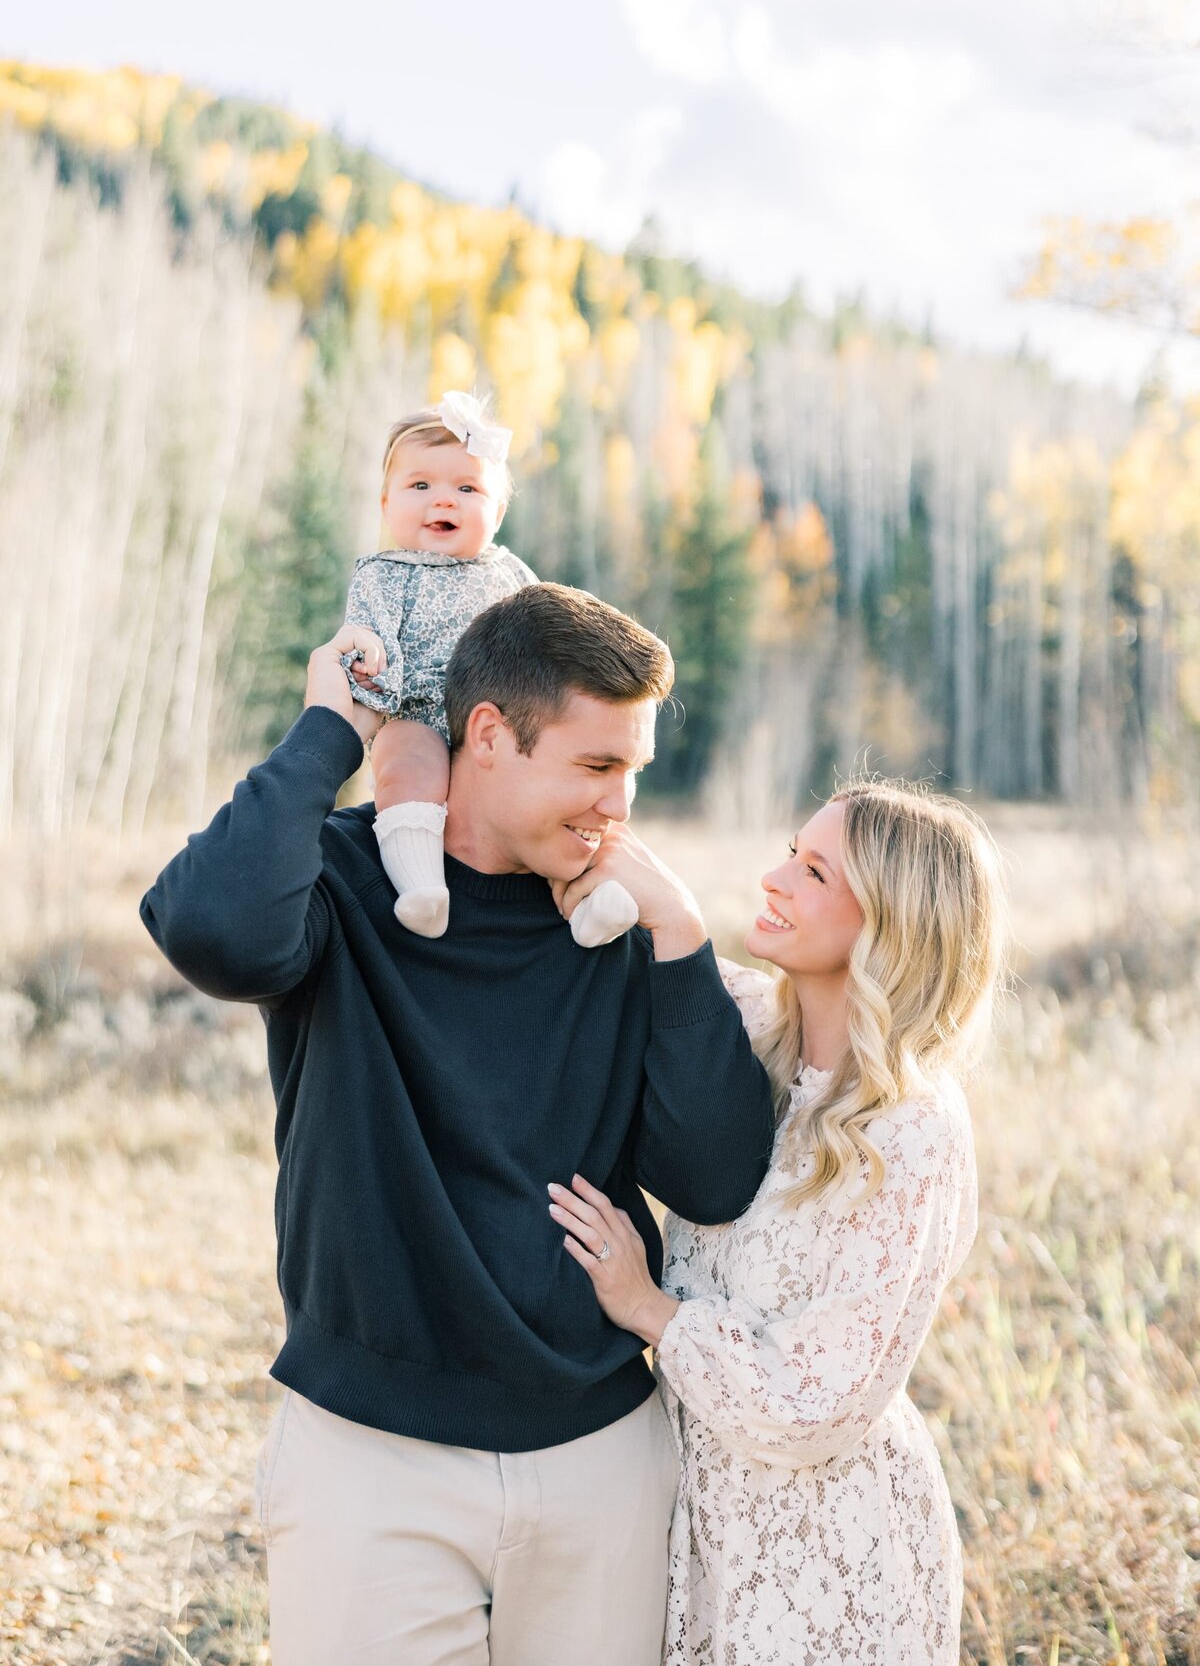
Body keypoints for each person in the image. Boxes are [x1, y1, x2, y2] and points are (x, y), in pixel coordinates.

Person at [139, 580, 776, 1666]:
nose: (620, 803)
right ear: (488, 735)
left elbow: (714, 1175)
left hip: (600, 1458)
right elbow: (209, 930)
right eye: (596, 765)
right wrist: (328, 728)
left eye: (633, 771)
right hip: (369, 1464)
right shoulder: (338, 884)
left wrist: (680, 936)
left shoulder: (615, 925)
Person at [550, 778, 1007, 1665]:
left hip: (830, 1559)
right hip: (700, 1530)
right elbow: (636, 943)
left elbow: (817, 1403)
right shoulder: (751, 1026)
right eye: (789, 851)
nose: (773, 879)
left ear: (892, 923)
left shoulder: (912, 1129)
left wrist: (649, 1308)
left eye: (813, 872)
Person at [343, 387, 637, 949]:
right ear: (386, 503)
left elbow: (548, 638)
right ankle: (420, 883)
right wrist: (369, 664)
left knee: (555, 800)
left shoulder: (510, 574)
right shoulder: (381, 574)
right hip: (418, 707)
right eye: (420, 485)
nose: (443, 501)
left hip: (509, 717)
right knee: (406, 768)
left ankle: (595, 896)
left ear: (498, 512)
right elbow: (369, 638)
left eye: (467, 488)